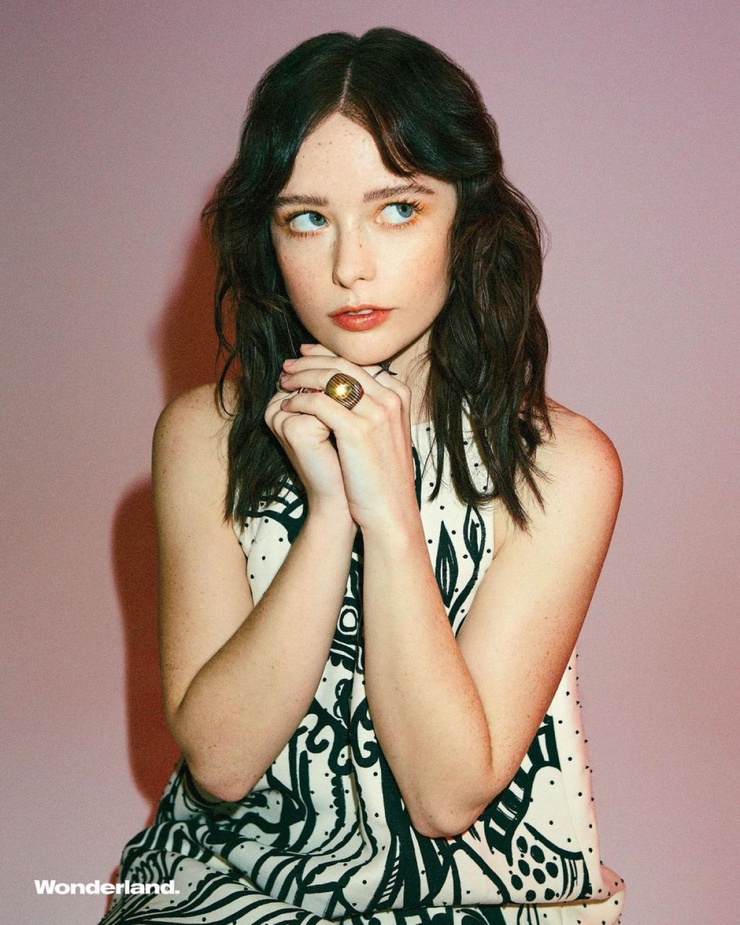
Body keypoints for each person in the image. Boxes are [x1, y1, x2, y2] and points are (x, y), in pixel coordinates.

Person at [101, 27, 625, 925]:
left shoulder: (562, 465)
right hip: (225, 887)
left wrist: (392, 514)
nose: (350, 266)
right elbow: (221, 762)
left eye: (398, 208)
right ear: (267, 237)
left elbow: (446, 794)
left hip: (483, 898)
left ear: (467, 219)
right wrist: (332, 508)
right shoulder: (204, 436)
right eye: (307, 218)